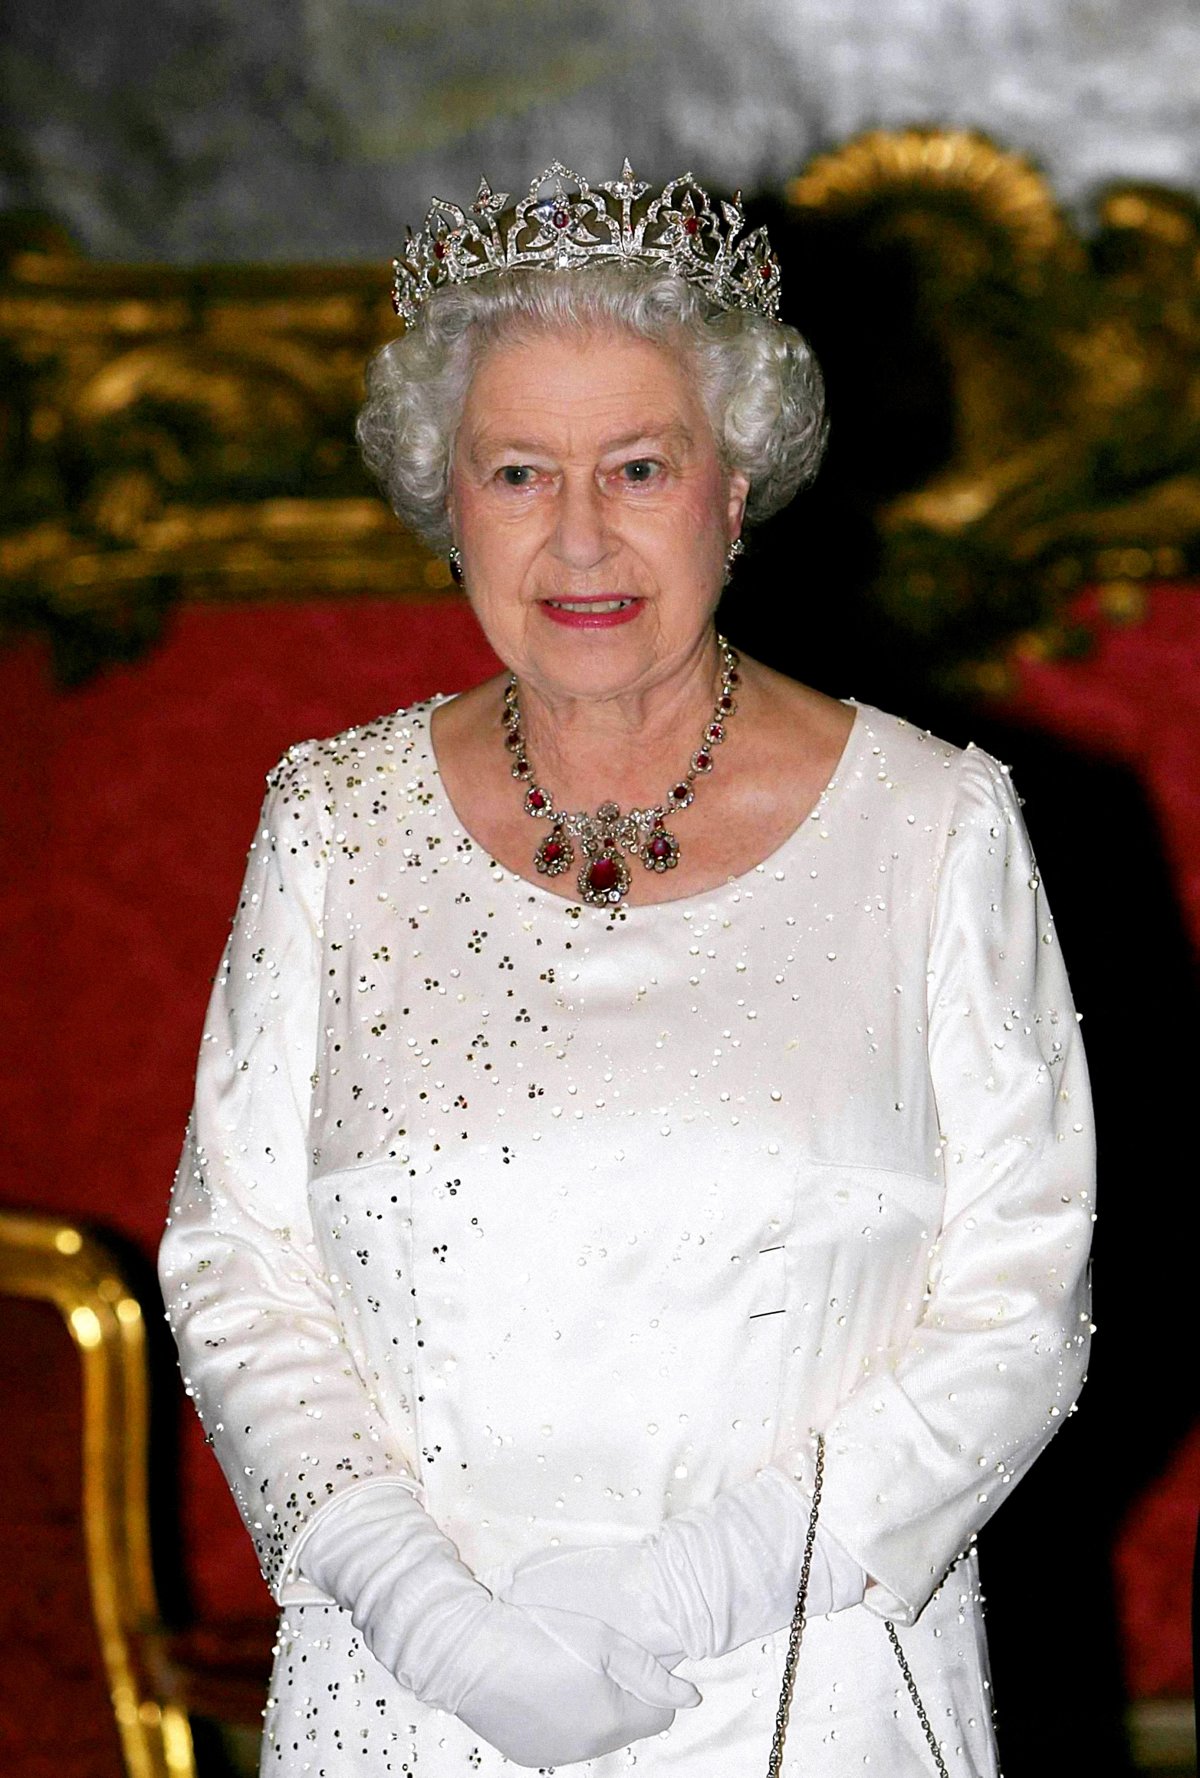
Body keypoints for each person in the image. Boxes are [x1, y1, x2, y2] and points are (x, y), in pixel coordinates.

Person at [158, 161, 1094, 1777]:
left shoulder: (936, 825)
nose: (579, 535)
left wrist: (691, 1590)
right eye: (519, 471)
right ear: (449, 503)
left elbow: (1022, 1305)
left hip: (811, 1680)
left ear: (735, 488)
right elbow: (237, 1271)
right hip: (411, 1692)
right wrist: (423, 1611)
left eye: (640, 466)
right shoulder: (330, 823)